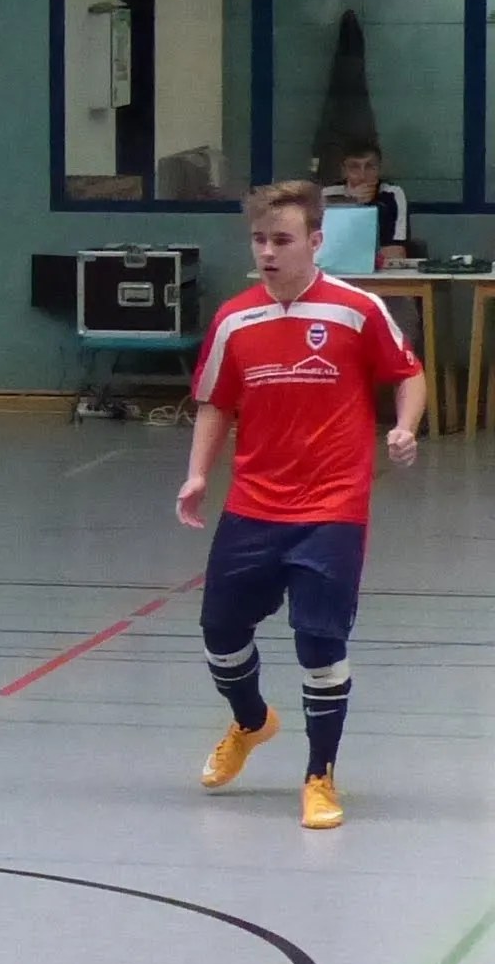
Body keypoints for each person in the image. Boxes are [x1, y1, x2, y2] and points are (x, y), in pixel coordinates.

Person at [180, 179, 424, 830]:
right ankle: (251, 721)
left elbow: (409, 373)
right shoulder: (234, 319)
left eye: (281, 240)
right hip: (254, 504)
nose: (267, 251)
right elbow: (216, 402)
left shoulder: (357, 310)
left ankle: (320, 774)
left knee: (320, 642)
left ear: (315, 241)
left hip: (332, 508)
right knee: (220, 633)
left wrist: (405, 426)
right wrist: (197, 474)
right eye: (259, 240)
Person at [324, 142, 411, 267]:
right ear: (344, 170)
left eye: (370, 167)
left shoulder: (392, 194)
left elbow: (396, 252)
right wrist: (352, 202)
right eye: (354, 167)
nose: (362, 176)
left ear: (379, 169)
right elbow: (321, 249)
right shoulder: (328, 194)